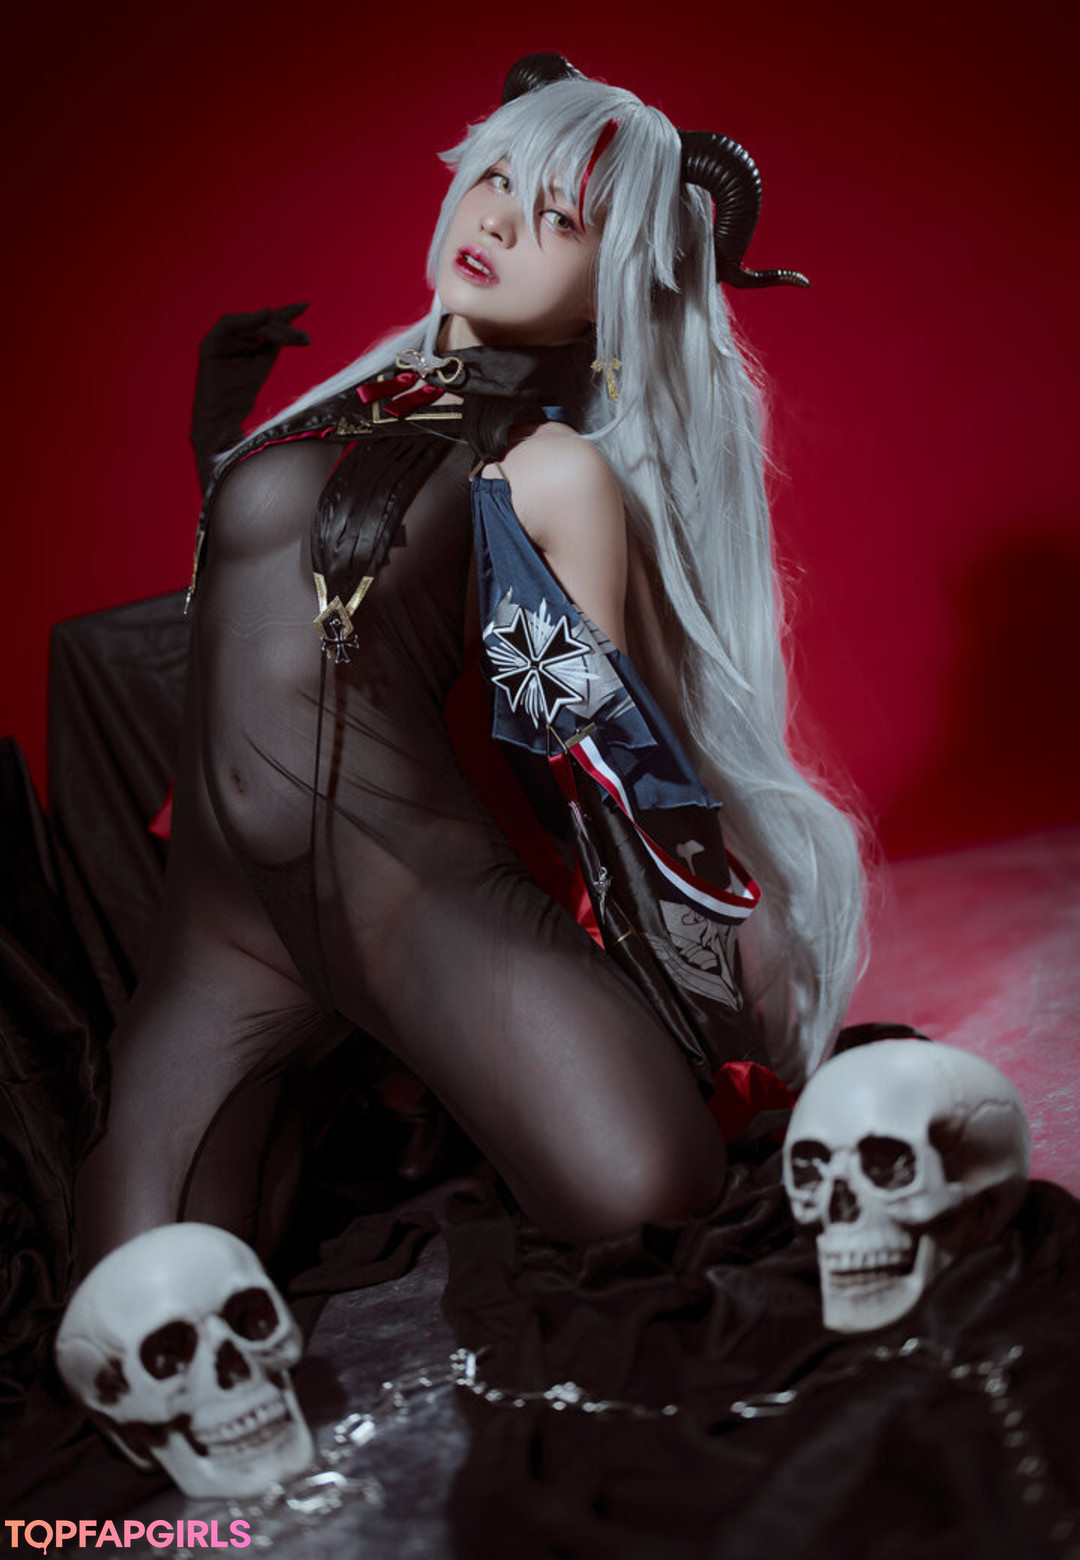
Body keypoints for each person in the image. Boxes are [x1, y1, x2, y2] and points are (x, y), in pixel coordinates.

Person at [74, 54, 865, 1269]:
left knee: (651, 1195)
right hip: (226, 931)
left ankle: (414, 1067)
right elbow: (280, 614)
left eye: (560, 218)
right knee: (131, 1289)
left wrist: (690, 962)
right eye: (497, 179)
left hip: (408, 902)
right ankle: (348, 1084)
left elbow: (595, 745)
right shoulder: (345, 404)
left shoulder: (549, 471)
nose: (497, 220)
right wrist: (220, 451)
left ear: (609, 298)